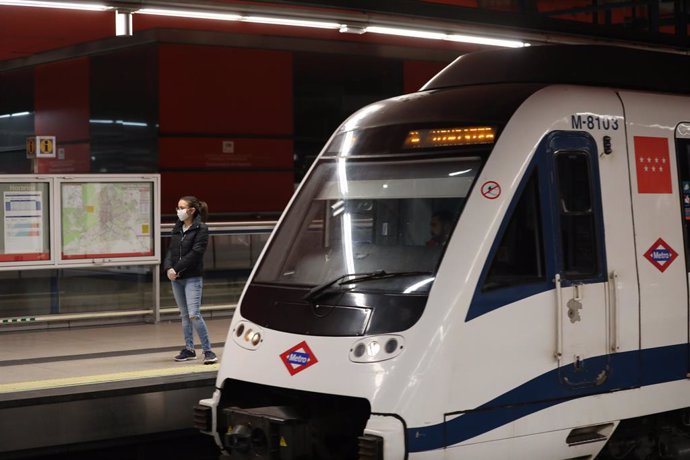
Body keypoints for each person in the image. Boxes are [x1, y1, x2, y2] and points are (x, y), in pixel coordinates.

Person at [163, 195, 218, 364]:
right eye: (177, 207)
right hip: (177, 278)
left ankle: (208, 351)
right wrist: (168, 269)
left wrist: (176, 269)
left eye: (181, 208)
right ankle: (189, 349)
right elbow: (171, 251)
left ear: (192, 210)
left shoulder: (201, 228)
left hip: (192, 278)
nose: (178, 211)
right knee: (185, 315)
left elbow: (196, 253)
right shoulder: (178, 227)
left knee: (194, 314)